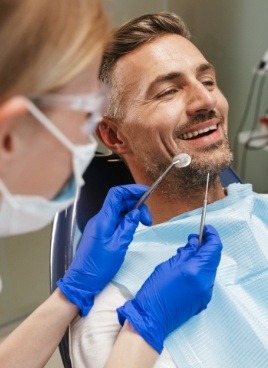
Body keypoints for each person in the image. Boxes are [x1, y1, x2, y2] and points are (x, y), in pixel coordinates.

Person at [0, 3, 223, 368]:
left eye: (209, 80)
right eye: (84, 112)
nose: (206, 100)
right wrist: (143, 329)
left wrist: (69, 295)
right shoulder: (112, 308)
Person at [70, 12, 268, 368]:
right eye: (168, 92)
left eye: (207, 81)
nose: (205, 102)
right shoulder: (116, 314)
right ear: (114, 135)